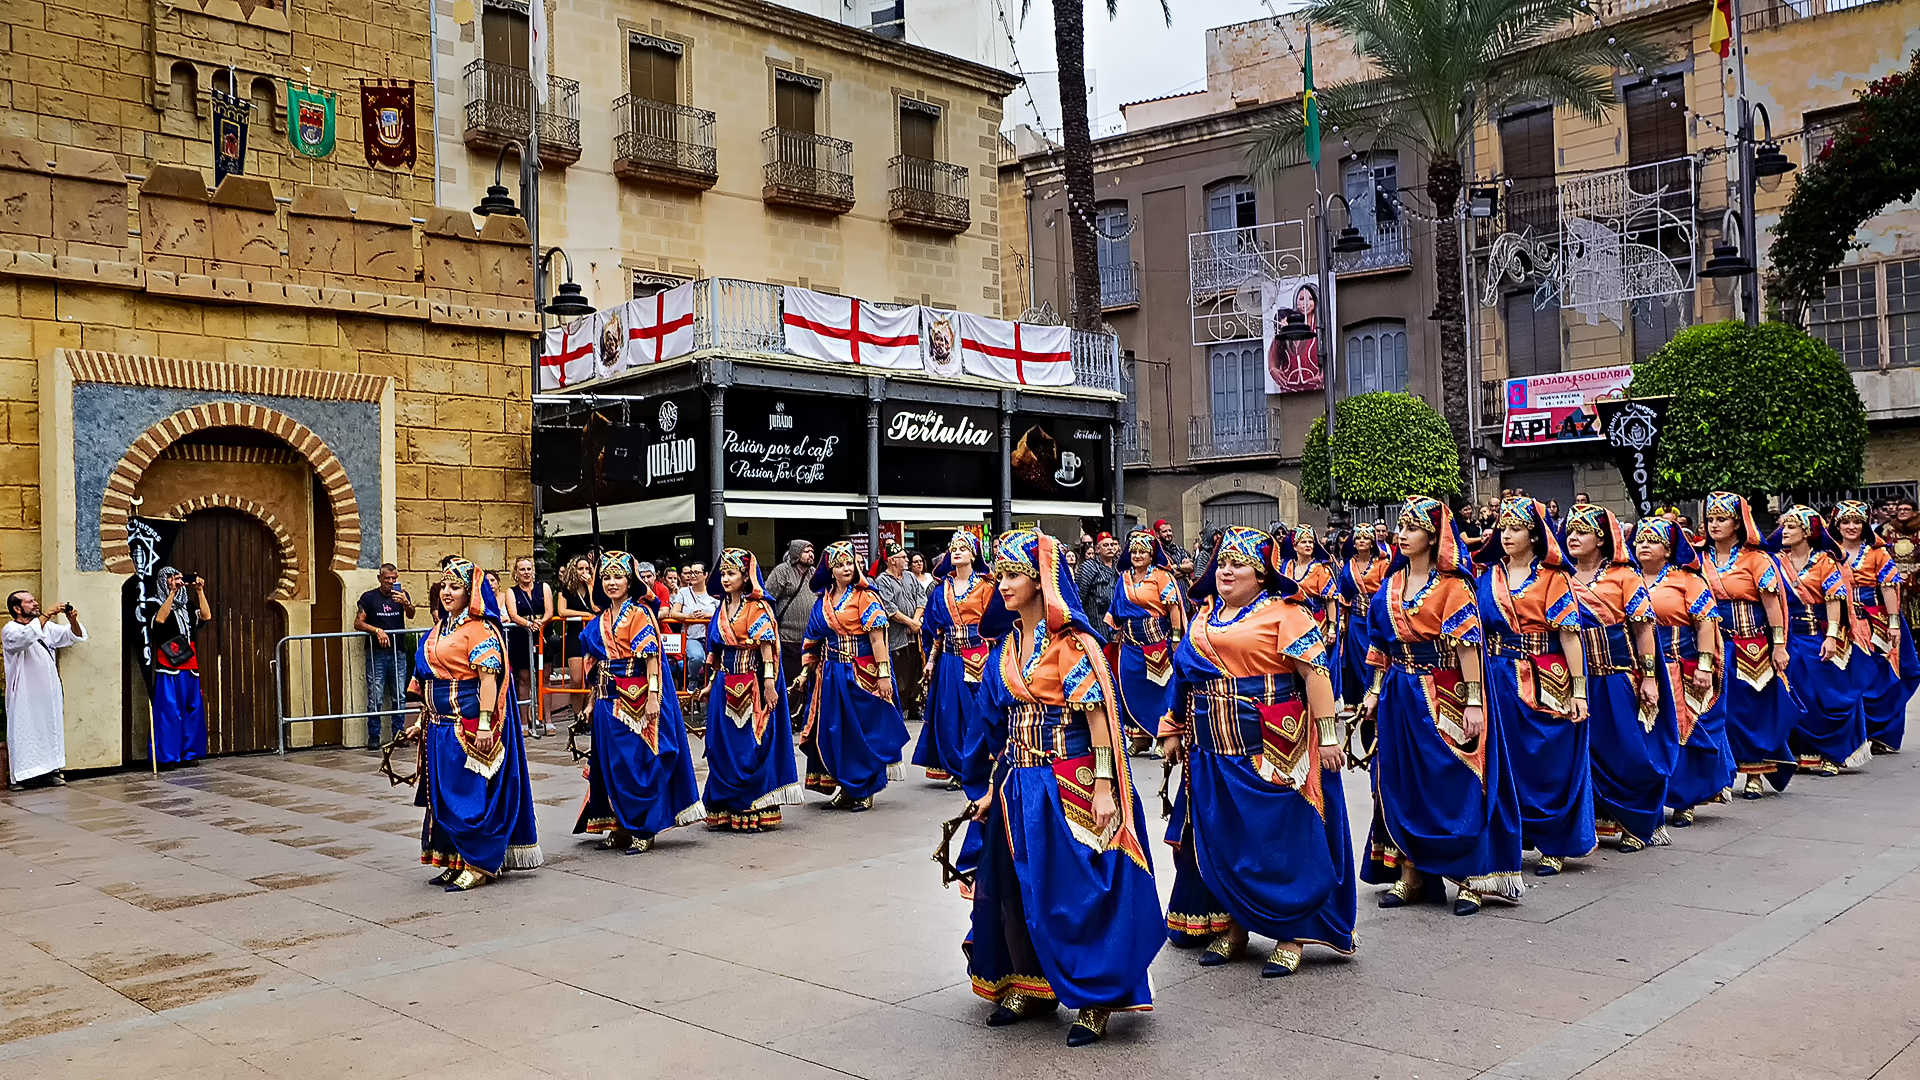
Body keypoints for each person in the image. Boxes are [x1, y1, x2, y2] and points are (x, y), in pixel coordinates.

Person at [962, 528, 1162, 1046]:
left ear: (1039, 581)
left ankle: (1097, 998)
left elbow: (1098, 719)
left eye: (1012, 575)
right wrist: (988, 787)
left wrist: (1103, 787)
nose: (1001, 584)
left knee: (1077, 890)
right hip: (1016, 783)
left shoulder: (1071, 642)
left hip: (1067, 781)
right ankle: (1030, 982)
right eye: (999, 575)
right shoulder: (1007, 645)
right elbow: (993, 723)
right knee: (1019, 887)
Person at [1159, 525, 1353, 977]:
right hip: (1210, 747)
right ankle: (1237, 925)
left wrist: (1327, 736)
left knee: (1282, 839)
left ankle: (1295, 932)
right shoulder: (1204, 615)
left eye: (1238, 564)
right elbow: (1184, 677)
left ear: (1262, 573)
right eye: (1222, 562)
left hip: (1271, 746)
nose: (1226, 571)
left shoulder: (1287, 613)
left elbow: (1315, 676)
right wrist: (1172, 727)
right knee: (1225, 839)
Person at [1360, 497, 1523, 916]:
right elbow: (1380, 644)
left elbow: (1469, 648)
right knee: (1399, 781)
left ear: (1433, 537)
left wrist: (1474, 702)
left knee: (1458, 778)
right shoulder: (1390, 584)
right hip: (1399, 692)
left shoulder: (1454, 586)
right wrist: (1374, 691)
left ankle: (1472, 876)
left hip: (1444, 690)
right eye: (1400, 526)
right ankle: (1411, 875)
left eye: (1412, 528)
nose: (1402, 533)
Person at [404, 558, 543, 890]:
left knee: (469, 796)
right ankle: (454, 859)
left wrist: (484, 724)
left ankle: (479, 864)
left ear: (471, 593)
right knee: (443, 797)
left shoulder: (481, 629)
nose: (448, 592)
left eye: (456, 587)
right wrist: (420, 720)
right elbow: (427, 679)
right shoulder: (439, 628)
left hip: (465, 726)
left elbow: (488, 680)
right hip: (438, 728)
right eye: (445, 586)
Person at [1476, 496, 1594, 875]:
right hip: (1495, 675)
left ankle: (1555, 843)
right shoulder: (1486, 576)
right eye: (1503, 528)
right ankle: (1511, 835)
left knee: (1547, 759)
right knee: (1504, 760)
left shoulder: (1552, 578)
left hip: (1543, 674)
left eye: (1515, 528)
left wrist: (1578, 689)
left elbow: (1571, 636)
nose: (1506, 535)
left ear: (1534, 534)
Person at [575, 551, 702, 853]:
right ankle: (618, 824)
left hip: (636, 700)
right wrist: (591, 702)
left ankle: (643, 828)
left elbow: (652, 658)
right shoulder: (600, 620)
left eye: (618, 576)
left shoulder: (639, 614)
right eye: (606, 577)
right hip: (606, 700)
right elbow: (596, 665)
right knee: (609, 765)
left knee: (637, 765)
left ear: (630, 581)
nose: (612, 582)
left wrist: (655, 697)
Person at [1564, 504, 1670, 852]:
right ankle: (1603, 822)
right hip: (1576, 680)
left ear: (1602, 538)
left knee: (1628, 752)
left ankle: (1640, 822)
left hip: (1617, 678)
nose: (1574, 537)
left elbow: (1644, 632)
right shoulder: (1561, 577)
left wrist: (1650, 678)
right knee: (1587, 753)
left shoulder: (1625, 577)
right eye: (1570, 531)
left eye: (1583, 531)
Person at [795, 541, 911, 810]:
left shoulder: (865, 596)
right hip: (831, 676)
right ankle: (846, 787)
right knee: (836, 732)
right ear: (830, 569)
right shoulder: (822, 601)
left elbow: (877, 639)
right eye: (840, 564)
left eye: (850, 563)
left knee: (862, 732)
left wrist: (883, 676)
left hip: (862, 673)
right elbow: (812, 640)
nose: (847, 568)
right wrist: (804, 673)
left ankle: (864, 789)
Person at [1631, 519, 1727, 829]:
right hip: (1636, 669)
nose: (1644, 545)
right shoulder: (1626, 578)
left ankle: (1684, 800)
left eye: (1652, 541)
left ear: (1669, 549)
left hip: (1676, 666)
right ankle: (1650, 799)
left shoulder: (1687, 580)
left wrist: (1703, 665)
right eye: (1640, 540)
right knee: (1644, 735)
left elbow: (1706, 623)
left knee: (1683, 731)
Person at [1700, 492, 1797, 798]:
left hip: (1750, 642)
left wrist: (1779, 645)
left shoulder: (1757, 559)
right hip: (1714, 644)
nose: (1714, 525)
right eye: (1710, 519)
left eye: (1722, 519)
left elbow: (1773, 606)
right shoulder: (1698, 558)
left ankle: (1754, 770)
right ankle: (1720, 774)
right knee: (1715, 710)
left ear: (1738, 523)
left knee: (1750, 709)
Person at [700, 548, 802, 832]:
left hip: (753, 685)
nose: (725, 578)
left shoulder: (758, 608)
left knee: (752, 745)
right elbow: (716, 651)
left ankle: (752, 806)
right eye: (722, 573)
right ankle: (725, 807)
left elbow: (767, 650)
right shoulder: (721, 608)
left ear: (746, 576)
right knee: (721, 746)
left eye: (731, 573)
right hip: (724, 685)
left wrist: (769, 684)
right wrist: (709, 684)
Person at [1768, 507, 1869, 776]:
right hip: (1788, 638)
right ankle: (1802, 752)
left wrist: (1833, 636)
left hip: (1817, 635)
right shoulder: (1776, 561)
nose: (1784, 532)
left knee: (1828, 696)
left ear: (1807, 532)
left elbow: (1834, 598)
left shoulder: (1824, 561)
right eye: (1783, 527)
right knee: (1797, 695)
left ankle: (1833, 754)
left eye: (1790, 527)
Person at [1832, 500, 1919, 753]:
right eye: (1845, 521)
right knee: (1850, 678)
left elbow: (1889, 587)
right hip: (1843, 621)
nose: (1851, 526)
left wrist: (1894, 624)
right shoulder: (1829, 553)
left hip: (1877, 621)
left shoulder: (1877, 552)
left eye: (1857, 521)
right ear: (1836, 524)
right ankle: (1855, 734)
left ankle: (1882, 734)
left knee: (1886, 676)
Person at [913, 532, 994, 787]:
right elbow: (934, 630)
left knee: (975, 713)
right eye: (953, 548)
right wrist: (930, 660)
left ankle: (977, 764)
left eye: (963, 548)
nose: (957, 552)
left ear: (974, 555)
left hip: (980, 656)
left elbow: (995, 626)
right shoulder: (940, 590)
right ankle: (957, 768)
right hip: (949, 658)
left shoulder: (986, 587)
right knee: (949, 714)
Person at [1105, 528, 1186, 747]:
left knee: (1160, 689)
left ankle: (1163, 736)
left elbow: (1174, 609)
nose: (1138, 556)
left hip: (1157, 642)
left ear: (1151, 555)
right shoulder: (1124, 579)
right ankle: (1140, 737)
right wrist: (1116, 634)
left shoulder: (1161, 576)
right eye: (1134, 552)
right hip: (1130, 644)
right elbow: (1118, 608)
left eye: (1143, 552)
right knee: (1131, 687)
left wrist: (1177, 639)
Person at [4, 591, 84, 790]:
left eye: (34, 600)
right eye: (29, 602)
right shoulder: (10, 630)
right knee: (24, 730)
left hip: (48, 691)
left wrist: (72, 620)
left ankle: (51, 772)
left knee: (50, 728)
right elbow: (25, 638)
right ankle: (22, 776)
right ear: (17, 608)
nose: (35, 603)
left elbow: (71, 636)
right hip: (24, 692)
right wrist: (47, 614)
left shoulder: (46, 627)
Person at [150, 566, 212, 766]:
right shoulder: (156, 604)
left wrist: (200, 591)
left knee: (192, 710)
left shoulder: (187, 606)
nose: (174, 581)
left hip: (189, 665)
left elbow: (206, 616)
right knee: (170, 711)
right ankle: (169, 757)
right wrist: (172, 593)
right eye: (170, 578)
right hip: (168, 665)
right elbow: (160, 619)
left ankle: (190, 754)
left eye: (176, 578)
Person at [354, 563, 417, 750]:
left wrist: (406, 603)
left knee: (399, 695)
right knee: (376, 696)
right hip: (376, 654)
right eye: (387, 578)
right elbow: (358, 623)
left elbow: (411, 615)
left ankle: (399, 735)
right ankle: (374, 736)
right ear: (380, 578)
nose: (391, 582)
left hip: (398, 651)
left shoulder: (401, 595)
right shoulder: (369, 598)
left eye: (394, 578)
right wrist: (377, 630)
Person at [871, 540, 927, 723]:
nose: (907, 560)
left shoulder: (910, 577)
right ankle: (898, 706)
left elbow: (921, 598)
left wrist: (916, 621)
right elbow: (890, 609)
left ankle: (914, 706)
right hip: (897, 637)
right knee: (901, 672)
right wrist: (910, 623)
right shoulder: (883, 580)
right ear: (892, 560)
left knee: (916, 671)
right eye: (903, 557)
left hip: (915, 635)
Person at [1335, 527, 1389, 710]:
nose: (1362, 541)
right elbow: (1343, 594)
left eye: (1366, 538)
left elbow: (1387, 590)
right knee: (1357, 658)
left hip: (1376, 618)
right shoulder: (1349, 565)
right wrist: (1341, 619)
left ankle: (1376, 693)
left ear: (1373, 542)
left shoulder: (1382, 564)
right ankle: (1360, 697)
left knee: (1375, 657)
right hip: (1356, 620)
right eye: (1358, 538)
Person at [504, 556, 553, 738]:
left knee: (545, 677)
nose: (526, 572)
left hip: (542, 634)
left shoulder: (544, 588)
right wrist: (527, 623)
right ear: (516, 573)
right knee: (524, 679)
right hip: (521, 636)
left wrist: (540, 623)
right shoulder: (511, 591)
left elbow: (549, 611)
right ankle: (524, 721)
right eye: (522, 569)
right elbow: (513, 613)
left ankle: (548, 720)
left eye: (528, 569)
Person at [554, 554, 602, 721]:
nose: (584, 571)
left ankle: (589, 715)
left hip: (592, 636)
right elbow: (562, 611)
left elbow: (596, 608)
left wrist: (590, 584)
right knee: (576, 679)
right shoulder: (566, 589)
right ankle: (577, 714)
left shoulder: (595, 588)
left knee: (591, 678)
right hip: (575, 635)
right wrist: (584, 615)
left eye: (587, 568)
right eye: (580, 568)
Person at [765, 539, 818, 686]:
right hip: (787, 639)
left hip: (810, 640)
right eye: (806, 551)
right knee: (791, 682)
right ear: (796, 553)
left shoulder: (814, 573)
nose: (811, 555)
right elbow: (767, 599)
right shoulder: (782, 571)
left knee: (809, 683)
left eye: (812, 551)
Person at [667, 561, 719, 674]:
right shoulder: (683, 592)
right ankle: (693, 681)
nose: (692, 575)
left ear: (705, 575)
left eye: (696, 572)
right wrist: (688, 616)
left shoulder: (714, 593)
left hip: (712, 636)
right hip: (692, 637)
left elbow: (722, 613)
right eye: (691, 572)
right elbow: (673, 613)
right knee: (697, 657)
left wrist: (708, 615)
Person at [1075, 531, 1121, 627]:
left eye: (1112, 545)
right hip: (1096, 620)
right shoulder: (1089, 566)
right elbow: (1079, 596)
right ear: (1097, 549)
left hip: (1117, 620)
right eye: (1105, 545)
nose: (1110, 548)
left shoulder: (1119, 566)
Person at [1153, 519, 1195, 584]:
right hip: (1169, 590)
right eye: (1164, 531)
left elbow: (1191, 567)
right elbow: (1168, 575)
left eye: (1170, 531)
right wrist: (1184, 571)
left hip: (1184, 589)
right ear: (1157, 534)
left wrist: (1176, 566)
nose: (1168, 533)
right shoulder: (1157, 552)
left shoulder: (1179, 549)